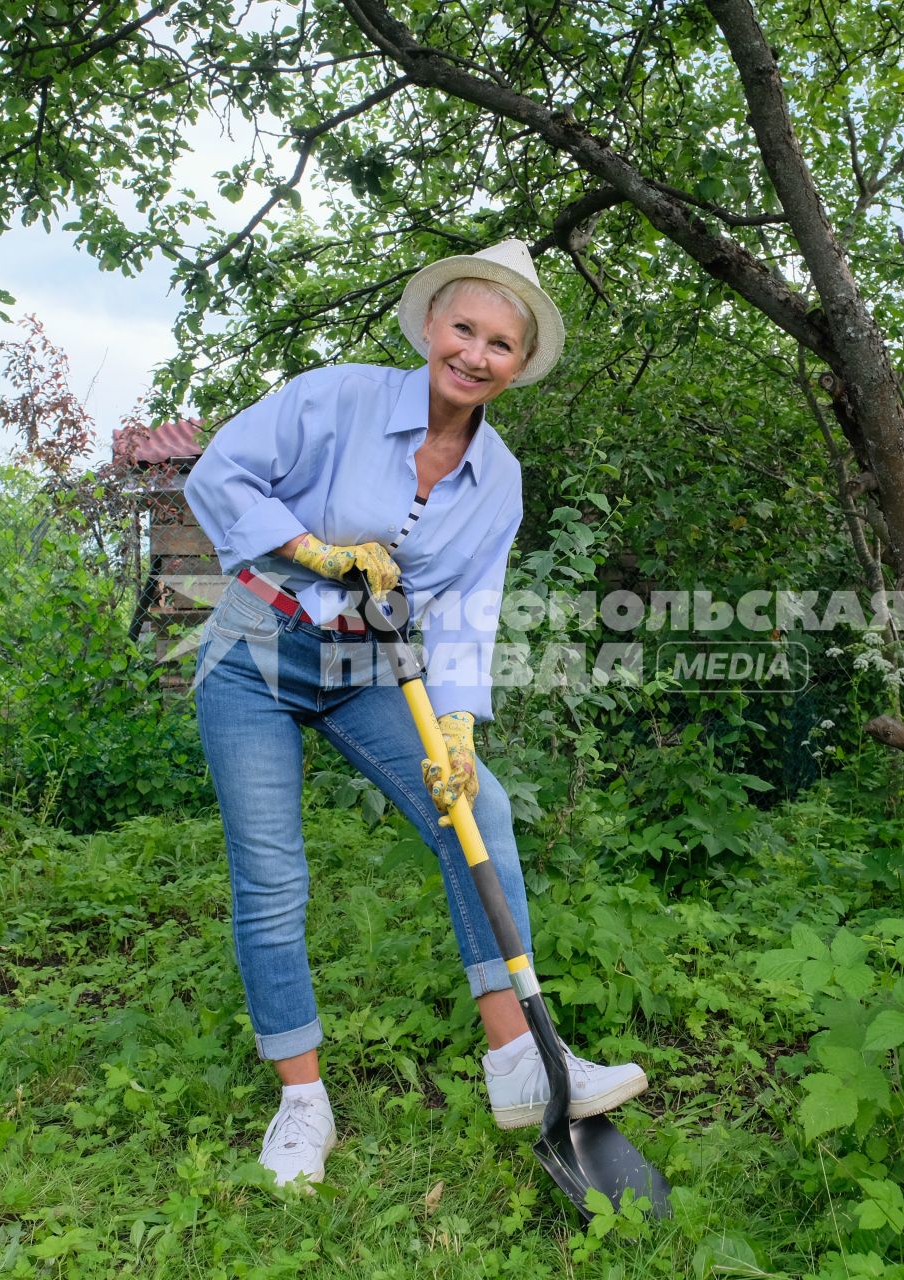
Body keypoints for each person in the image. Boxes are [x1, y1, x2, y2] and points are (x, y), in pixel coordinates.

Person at [183, 239, 648, 1187]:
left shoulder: (500, 479)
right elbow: (218, 473)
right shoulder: (339, 397)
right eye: (465, 329)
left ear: (518, 366)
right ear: (432, 327)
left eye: (501, 344)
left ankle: (519, 1064)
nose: (476, 354)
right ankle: (301, 1104)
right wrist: (314, 551)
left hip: (369, 667)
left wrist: (460, 729)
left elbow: (472, 604)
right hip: (255, 654)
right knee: (274, 879)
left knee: (477, 809)